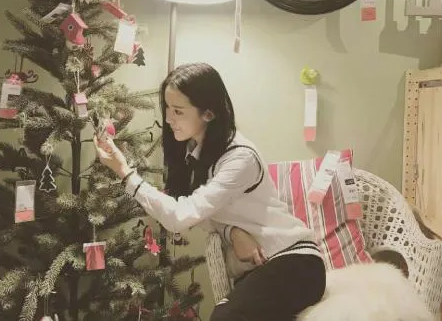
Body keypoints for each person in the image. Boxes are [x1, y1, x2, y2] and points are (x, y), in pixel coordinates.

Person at [94, 62, 325, 321]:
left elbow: (180, 216)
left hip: (295, 260)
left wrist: (125, 172)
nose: (168, 119)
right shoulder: (196, 152)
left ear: (208, 114)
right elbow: (204, 214)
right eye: (167, 108)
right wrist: (231, 231)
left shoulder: (240, 158)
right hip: (260, 266)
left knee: (225, 317)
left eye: (178, 111)